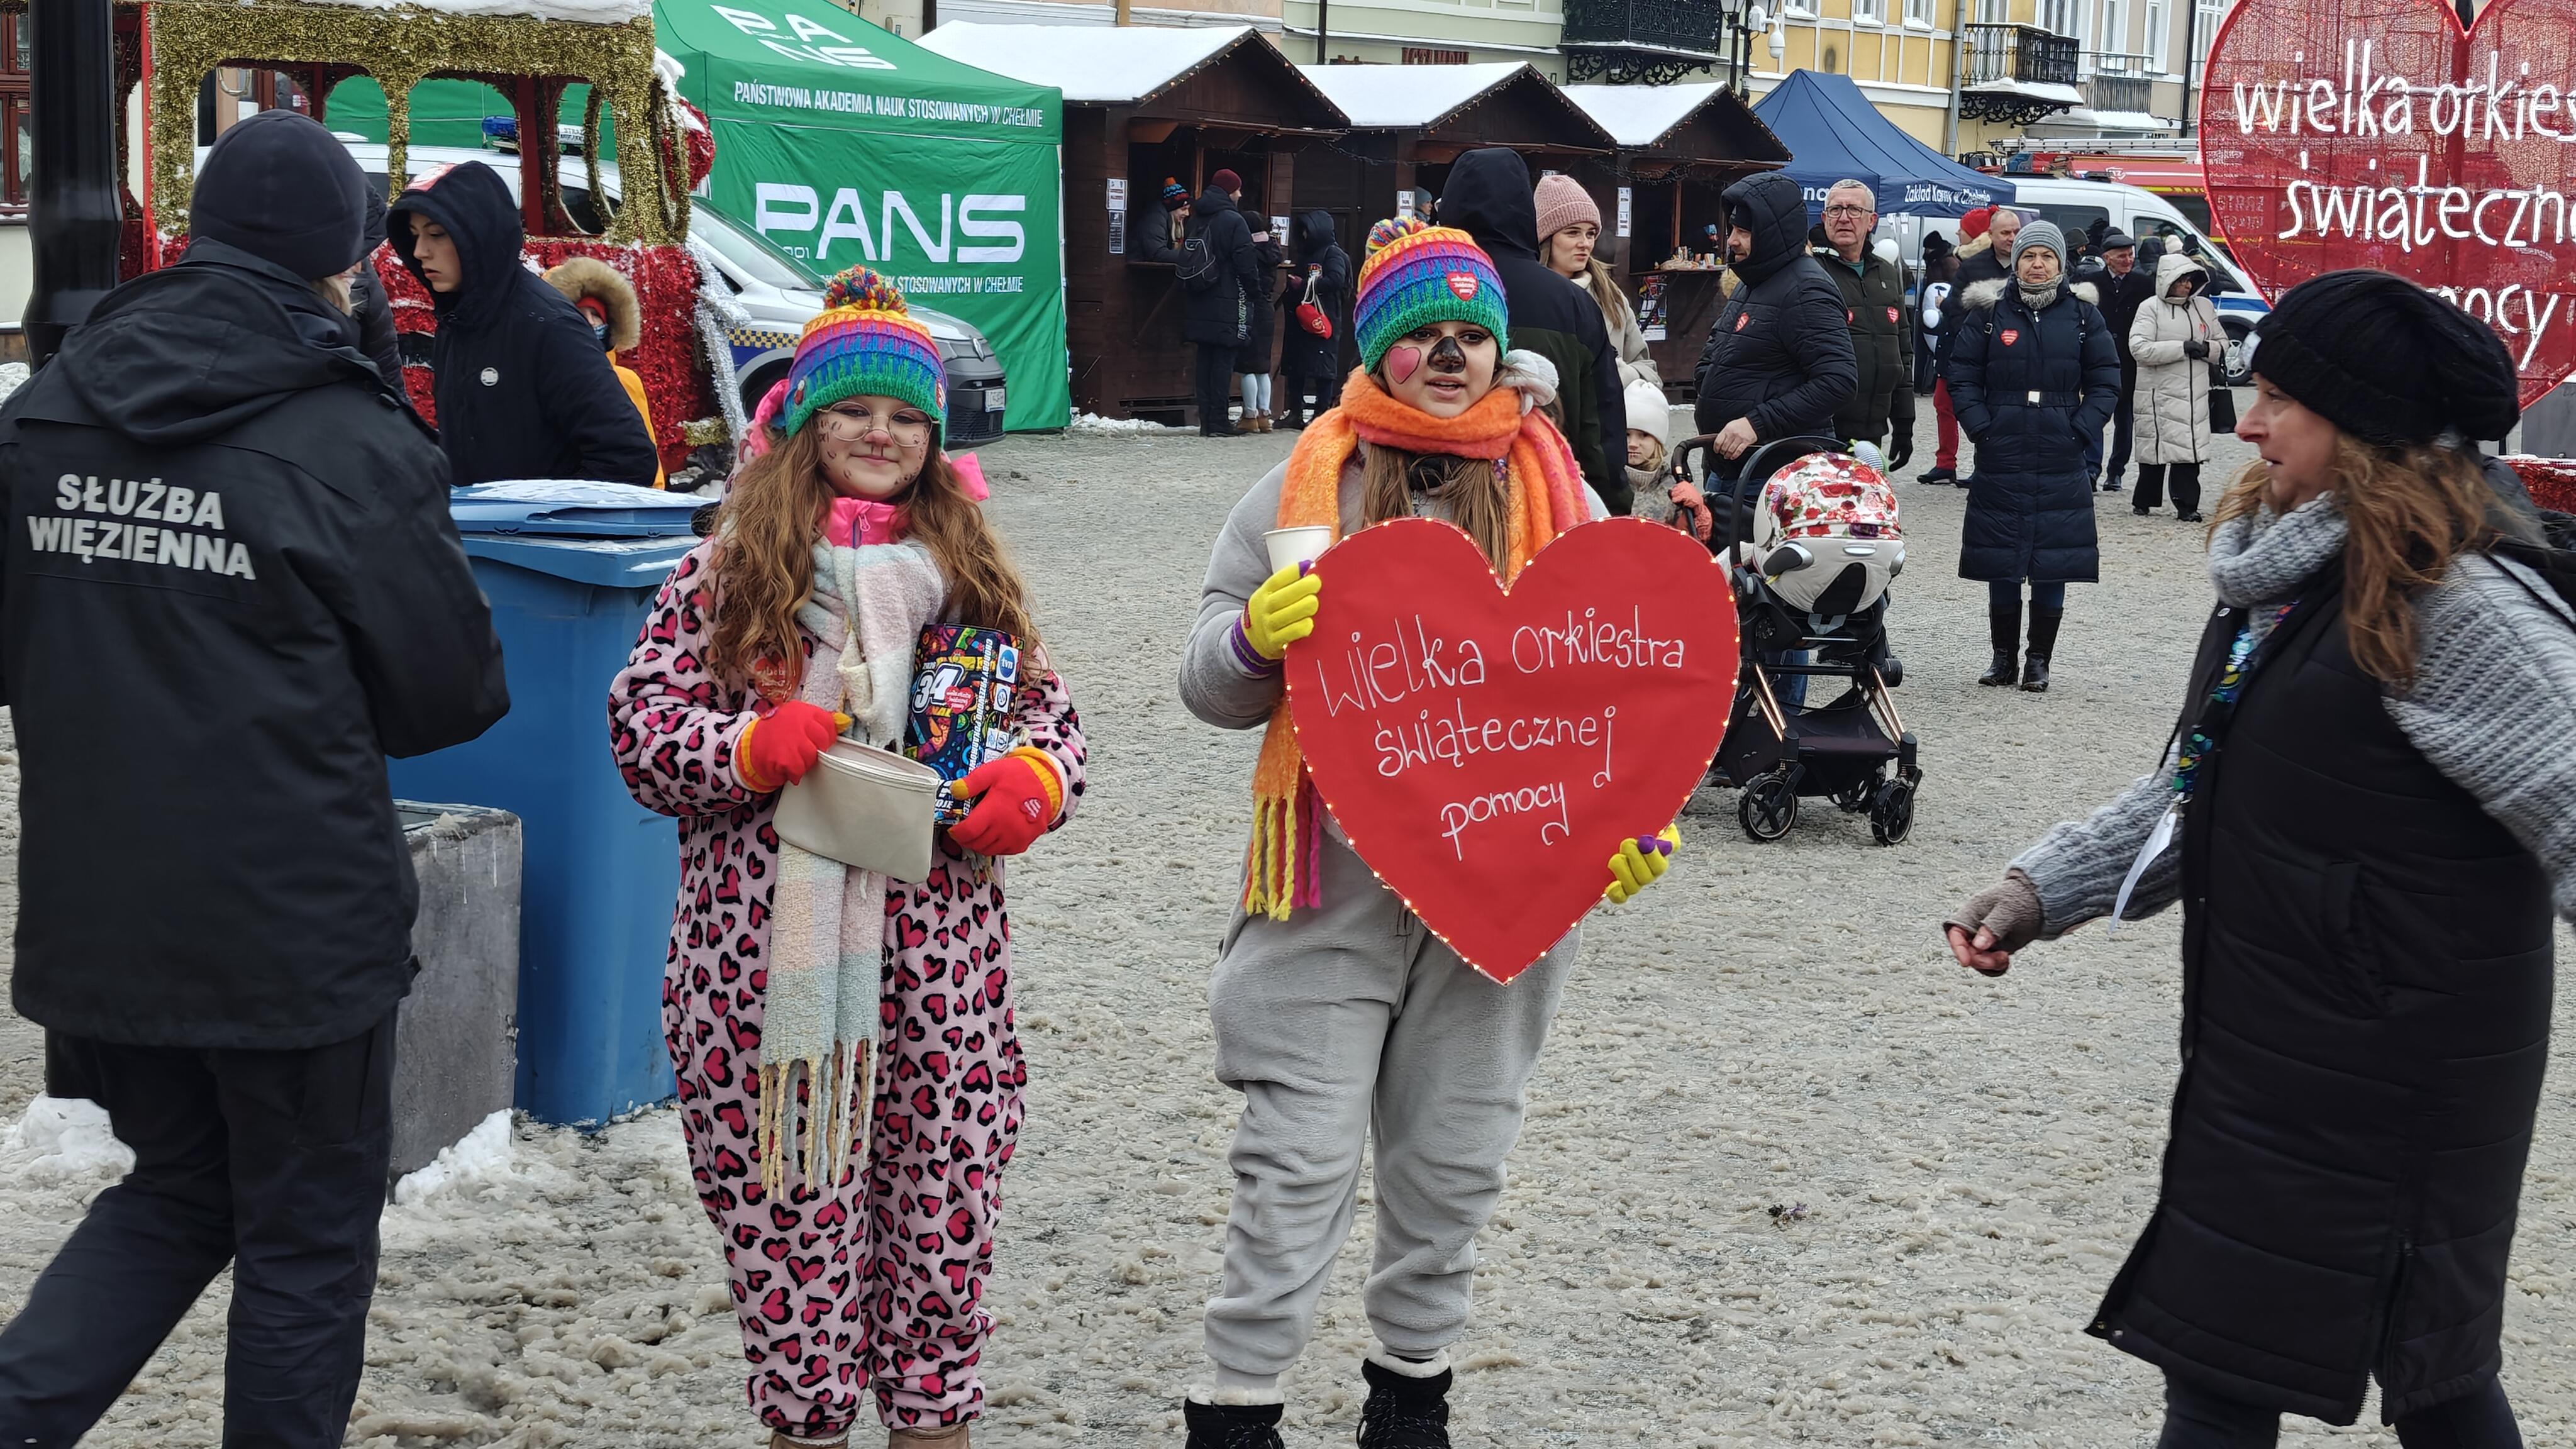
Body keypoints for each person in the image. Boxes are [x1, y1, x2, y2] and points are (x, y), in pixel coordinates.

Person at [1943, 269, 2576, 1449]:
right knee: (2227, 1363)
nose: (2248, 423)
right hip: (2279, 1054)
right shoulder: (2293, 568)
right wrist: (2043, 886)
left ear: (2368, 431)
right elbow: (2211, 775)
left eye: (2282, 400)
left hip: (2403, 1071)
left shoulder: (2453, 598)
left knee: (2428, 1377)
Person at [0, 109, 508, 1447]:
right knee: (304, 1236)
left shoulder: (46, 410)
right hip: (294, 931)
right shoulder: (350, 439)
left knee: (179, 1189)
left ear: (200, 235)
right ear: (344, 260)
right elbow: (451, 697)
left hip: (105, 908)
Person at [1174, 217, 1680, 1449]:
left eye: (1471, 334)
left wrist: (1633, 824)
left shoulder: (1556, 490)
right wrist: (1252, 641)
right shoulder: (1308, 484)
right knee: (1293, 1162)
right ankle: (1236, 1408)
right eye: (1421, 336)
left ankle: (1410, 1397)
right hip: (1329, 889)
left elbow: (1620, 692)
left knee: (1452, 1160)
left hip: (1504, 890)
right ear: (1375, 350)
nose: (1450, 356)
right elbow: (1204, 679)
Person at [609, 268, 1086, 1449]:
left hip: (941, 980)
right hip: (762, 979)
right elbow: (640, 727)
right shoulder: (724, 573)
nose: (881, 434)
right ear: (802, 423)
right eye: (854, 411)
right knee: (791, 1235)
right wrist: (743, 747)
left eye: (907, 416)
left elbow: (1053, 718)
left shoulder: (968, 580)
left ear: (936, 437)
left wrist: (1034, 780)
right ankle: (808, 1416)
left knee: (941, 1239)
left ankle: (930, 1416)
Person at [387, 160, 660, 488]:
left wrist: (542, 515)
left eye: (437, 234)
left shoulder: (550, 328)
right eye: (414, 236)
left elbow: (629, 459)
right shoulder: (457, 320)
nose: (420, 252)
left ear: (480, 235)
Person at [1943, 219, 2119, 692]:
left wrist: (2080, 430)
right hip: (2002, 448)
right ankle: (2002, 657)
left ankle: (2039, 660)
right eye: (2028, 256)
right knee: (2001, 554)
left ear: (2061, 264)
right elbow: (1962, 375)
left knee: (2052, 558)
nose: (2037, 265)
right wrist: (1982, 427)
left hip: (2060, 450)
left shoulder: (2083, 316)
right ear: (2016, 262)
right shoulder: (1989, 314)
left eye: (2046, 256)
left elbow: (2106, 380)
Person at [1440, 148, 1631, 514]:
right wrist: (1610, 507)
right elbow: (1600, 423)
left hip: (1434, 497)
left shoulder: (1421, 289)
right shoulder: (1573, 302)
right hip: (1546, 497)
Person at [1689, 169, 1858, 506]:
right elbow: (1720, 350)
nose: (1732, 241)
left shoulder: (1806, 290)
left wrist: (1756, 422)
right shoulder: (1755, 281)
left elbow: (1838, 381)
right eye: (1732, 230)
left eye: (1743, 232)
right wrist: (1708, 381)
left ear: (1772, 233)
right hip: (1732, 468)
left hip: (1773, 474)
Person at [1816, 180, 1916, 471]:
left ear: (1872, 221)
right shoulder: (1812, 271)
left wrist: (1904, 423)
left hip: (1873, 428)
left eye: (1854, 210)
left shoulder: (1886, 273)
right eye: (1835, 210)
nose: (1844, 218)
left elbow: (1902, 352)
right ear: (1824, 219)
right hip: (1823, 427)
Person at [544, 256, 665, 488]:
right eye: (579, 314)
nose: (590, 323)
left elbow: (648, 460)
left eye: (596, 314)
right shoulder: (543, 378)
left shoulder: (625, 381)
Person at [1534, 172, 1659, 390]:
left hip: (1607, 410)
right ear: (1546, 238)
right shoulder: (1527, 294)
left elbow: (1647, 368)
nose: (1585, 243)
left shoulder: (1610, 295)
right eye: (1573, 233)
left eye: (1590, 234)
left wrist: (1624, 375)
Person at [2127, 249, 2223, 523]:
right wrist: (2182, 348)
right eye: (2182, 280)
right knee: (2155, 452)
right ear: (2167, 280)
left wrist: (2208, 349)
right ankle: (2144, 500)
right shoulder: (2150, 308)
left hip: (2195, 394)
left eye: (2190, 280)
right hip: (2159, 392)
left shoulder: (2204, 307)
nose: (2188, 286)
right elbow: (2139, 348)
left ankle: (2187, 506)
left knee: (2189, 452)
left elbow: (2223, 343)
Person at [1184, 169, 1261, 438]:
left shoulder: (1197, 217)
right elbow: (1245, 261)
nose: (1240, 194)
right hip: (1228, 299)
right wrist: (1255, 291)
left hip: (1199, 297)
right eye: (1237, 189)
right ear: (1229, 191)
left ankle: (1207, 421)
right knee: (1223, 361)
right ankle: (1219, 421)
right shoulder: (1233, 220)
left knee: (1204, 360)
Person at [2090, 231, 2155, 494]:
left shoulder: (2144, 284)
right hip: (2098, 358)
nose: (2128, 260)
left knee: (2126, 420)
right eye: (2121, 256)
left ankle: (2116, 471)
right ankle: (2091, 469)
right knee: (2094, 416)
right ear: (2107, 258)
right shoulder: (2091, 283)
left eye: (2130, 255)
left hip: (2130, 360)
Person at [1277, 209, 1349, 428]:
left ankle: (1321, 413)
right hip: (1301, 318)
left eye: (1308, 231)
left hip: (1323, 318)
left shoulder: (1333, 254)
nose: (1305, 235)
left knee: (1323, 367)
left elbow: (1336, 280)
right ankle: (1295, 413)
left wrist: (1305, 284)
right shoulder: (1305, 253)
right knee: (1296, 365)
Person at [1238, 201, 1284, 433]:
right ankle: (1265, 415)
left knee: (1248, 365)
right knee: (1263, 366)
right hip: (1267, 308)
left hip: (1251, 306)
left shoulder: (1250, 252)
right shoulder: (1272, 250)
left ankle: (1249, 415)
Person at [1136, 175, 1191, 265]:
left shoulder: (1168, 217)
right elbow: (1157, 254)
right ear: (1172, 208)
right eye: (1183, 209)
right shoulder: (1155, 219)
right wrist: (1189, 257)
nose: (1187, 214)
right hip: (1137, 269)